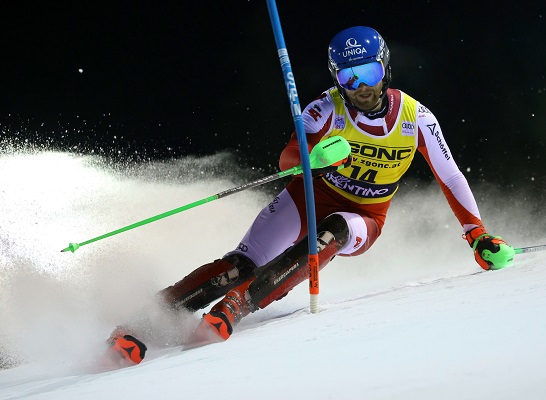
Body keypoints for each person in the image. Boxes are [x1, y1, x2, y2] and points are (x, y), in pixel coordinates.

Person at [109, 26, 515, 365]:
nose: (361, 88)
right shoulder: (324, 108)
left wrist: (476, 234)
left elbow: (451, 176)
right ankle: (134, 327)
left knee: (332, 231)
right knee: (237, 266)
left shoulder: (417, 119)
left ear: (386, 68)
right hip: (307, 196)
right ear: (337, 77)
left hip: (364, 217)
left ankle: (234, 308)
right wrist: (309, 157)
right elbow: (288, 157)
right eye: (349, 78)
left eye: (369, 73)